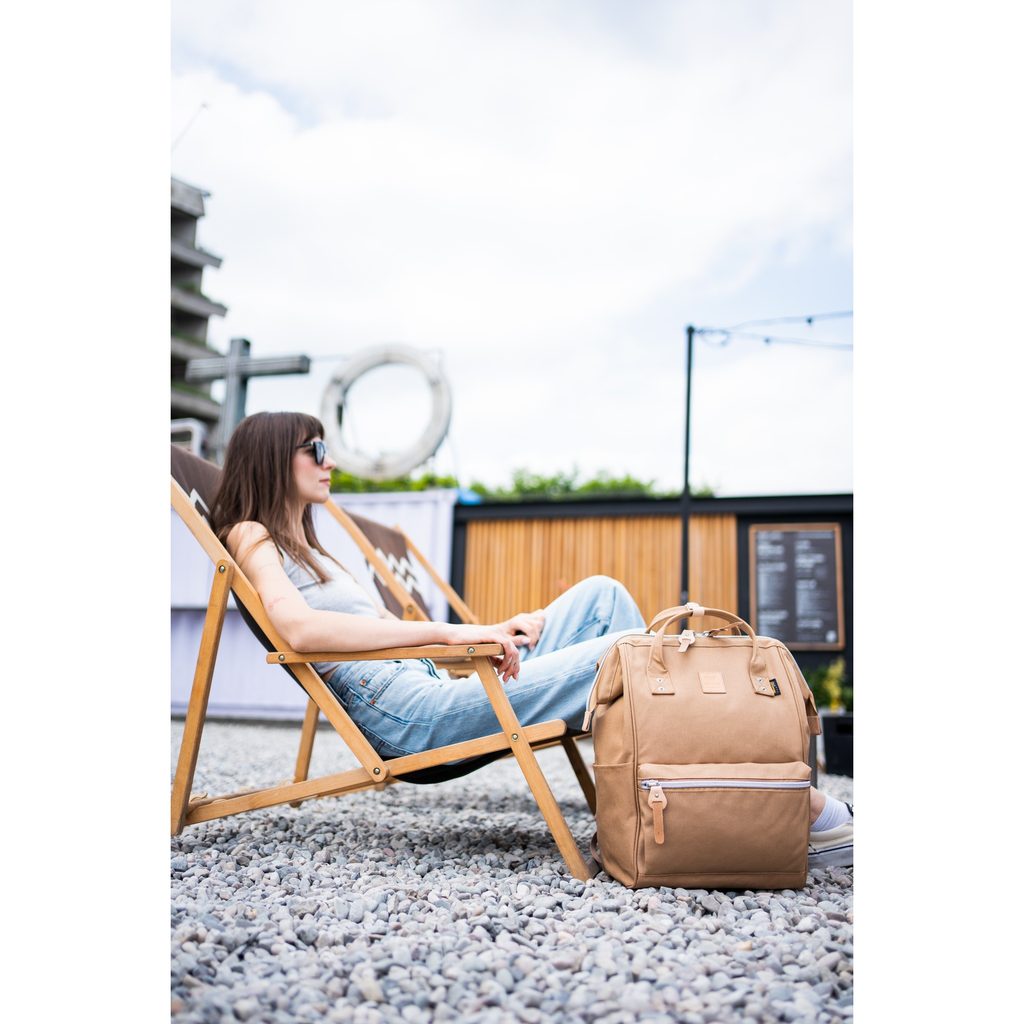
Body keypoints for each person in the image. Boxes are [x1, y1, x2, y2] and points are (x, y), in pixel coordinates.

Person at [210, 411, 852, 869]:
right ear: (273, 458)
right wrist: (458, 632)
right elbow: (299, 631)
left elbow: (380, 635)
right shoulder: (250, 533)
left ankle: (675, 792)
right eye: (315, 449)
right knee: (628, 650)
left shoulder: (311, 549)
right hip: (413, 720)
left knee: (601, 598)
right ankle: (763, 796)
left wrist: (496, 632)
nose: (330, 461)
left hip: (429, 686)